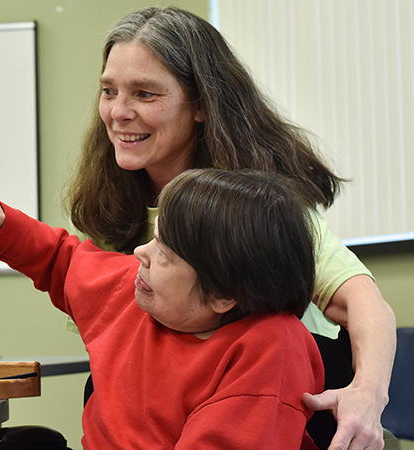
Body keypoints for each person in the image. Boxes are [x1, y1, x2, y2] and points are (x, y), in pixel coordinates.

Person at [61, 6, 395, 450]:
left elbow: (363, 301)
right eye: (108, 91)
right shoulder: (117, 205)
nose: (118, 112)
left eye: (144, 94)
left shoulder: (250, 207)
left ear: (199, 105)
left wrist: (366, 396)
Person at [0, 168, 325, 449]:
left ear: (223, 295)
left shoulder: (271, 346)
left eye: (166, 252)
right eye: (154, 237)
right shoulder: (141, 294)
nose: (140, 252)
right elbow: (63, 259)